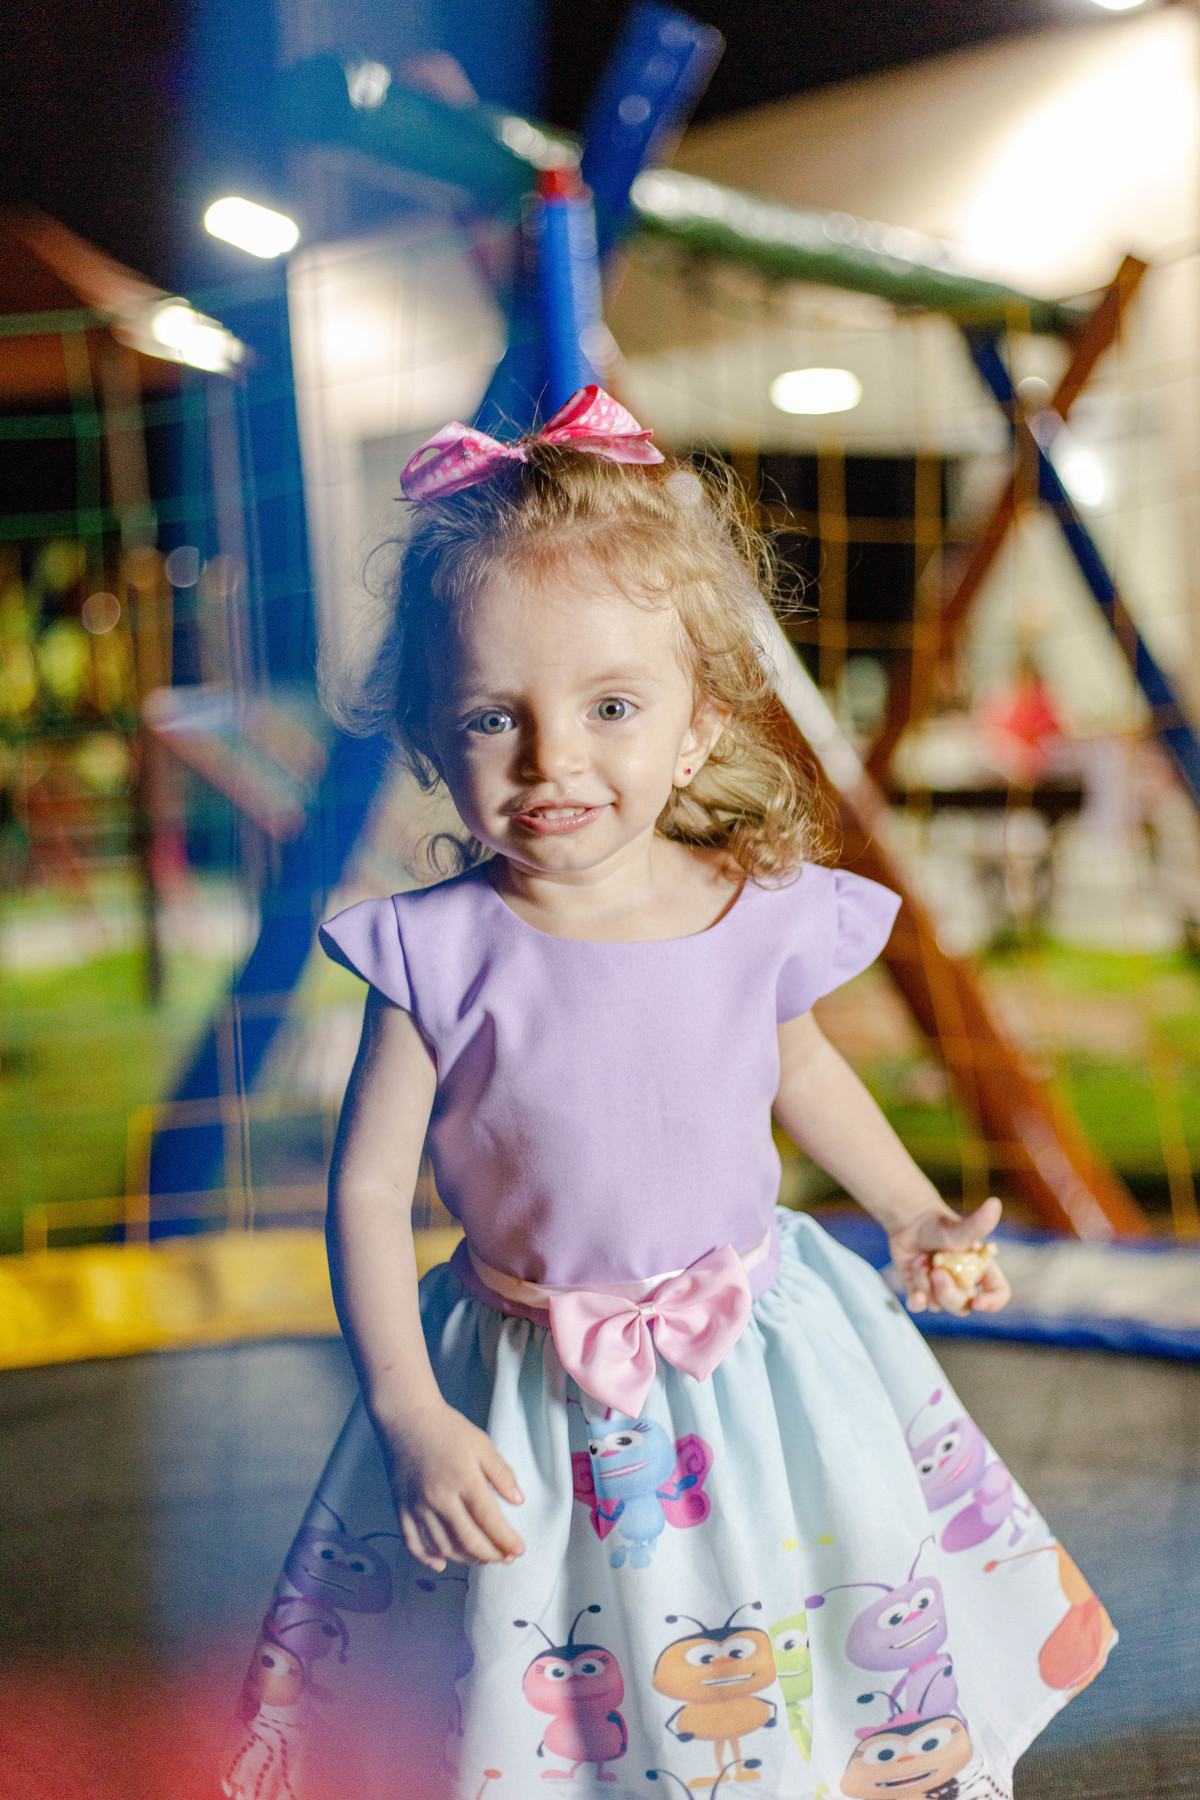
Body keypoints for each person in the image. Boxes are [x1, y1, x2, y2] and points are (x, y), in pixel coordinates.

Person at [224, 389, 1113, 1800]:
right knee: (553, 1657)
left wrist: (913, 1210)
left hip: (757, 1351)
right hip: (527, 1382)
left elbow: (799, 1068)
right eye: (494, 716)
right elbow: (369, 1191)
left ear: (697, 727)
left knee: (791, 1605)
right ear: (431, 742)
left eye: (612, 708)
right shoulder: (433, 953)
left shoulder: (748, 910)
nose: (553, 759)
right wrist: (407, 1407)